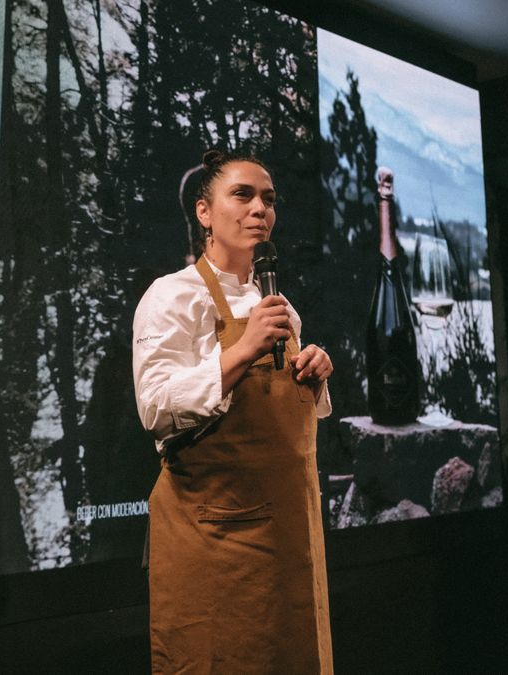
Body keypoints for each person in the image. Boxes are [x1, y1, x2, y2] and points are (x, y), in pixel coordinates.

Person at [133, 150, 335, 673]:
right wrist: (242, 351)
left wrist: (313, 372)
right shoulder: (172, 296)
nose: (259, 210)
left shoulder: (279, 306)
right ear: (204, 213)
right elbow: (156, 407)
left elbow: (288, 419)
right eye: (242, 195)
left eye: (269, 199)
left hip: (288, 535)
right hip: (217, 535)